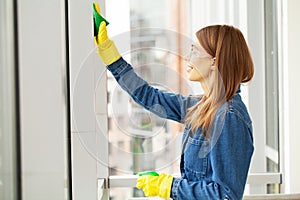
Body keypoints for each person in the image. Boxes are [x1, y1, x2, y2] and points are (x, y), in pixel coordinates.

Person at [93, 5, 254, 200]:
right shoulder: (201, 107)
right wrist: (110, 54)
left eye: (194, 51)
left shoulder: (228, 116)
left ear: (214, 61)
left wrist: (169, 186)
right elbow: (149, 96)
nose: (187, 57)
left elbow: (225, 195)